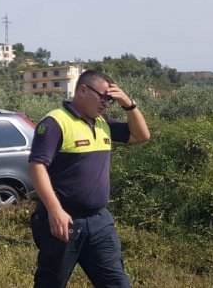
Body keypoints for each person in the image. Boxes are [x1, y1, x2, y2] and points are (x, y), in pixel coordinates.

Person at [28, 70, 150, 288]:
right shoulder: (55, 122)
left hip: (99, 222)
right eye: (103, 97)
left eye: (110, 100)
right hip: (64, 221)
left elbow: (142, 136)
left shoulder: (103, 123)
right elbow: (37, 167)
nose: (106, 104)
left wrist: (128, 104)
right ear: (83, 90)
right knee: (51, 282)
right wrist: (55, 211)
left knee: (117, 283)